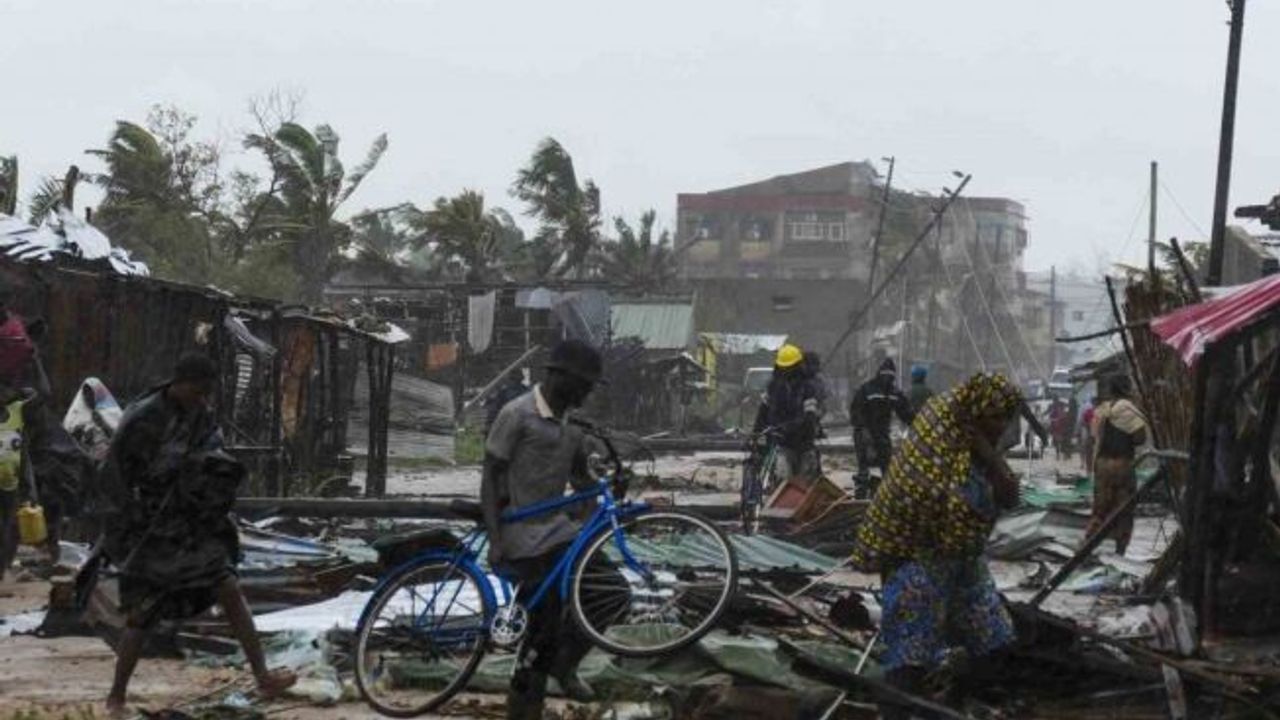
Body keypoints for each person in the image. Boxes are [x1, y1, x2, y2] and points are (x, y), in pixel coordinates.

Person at [97, 352, 295, 717]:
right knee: (144, 612)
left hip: (192, 524)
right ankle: (116, 697)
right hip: (152, 530)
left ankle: (263, 676)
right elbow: (114, 476)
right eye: (198, 391)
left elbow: (212, 458)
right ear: (181, 383)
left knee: (229, 589)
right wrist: (131, 523)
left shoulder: (199, 416)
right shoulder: (144, 418)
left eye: (207, 393)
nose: (202, 399)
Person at [850, 373, 1024, 717]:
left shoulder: (971, 441)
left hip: (963, 560)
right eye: (994, 416)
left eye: (1006, 416)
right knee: (910, 652)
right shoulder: (938, 443)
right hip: (917, 560)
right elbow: (957, 512)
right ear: (974, 412)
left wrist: (990, 456)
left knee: (995, 639)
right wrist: (993, 467)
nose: (1000, 424)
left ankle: (956, 703)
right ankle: (897, 712)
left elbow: (1008, 496)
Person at [481, 340, 625, 720]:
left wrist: (603, 494)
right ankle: (524, 707)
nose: (588, 392)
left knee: (613, 592)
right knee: (541, 625)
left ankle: (566, 663)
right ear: (560, 378)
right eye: (584, 384)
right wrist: (496, 542)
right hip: (522, 536)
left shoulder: (572, 426)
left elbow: (580, 479)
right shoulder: (517, 414)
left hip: (558, 532)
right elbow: (490, 477)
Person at [1088, 376, 1148, 556]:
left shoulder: (1101, 411)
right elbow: (1140, 438)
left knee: (1100, 509)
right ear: (1127, 389)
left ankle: (1087, 547)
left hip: (1101, 465)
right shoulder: (1128, 410)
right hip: (1122, 465)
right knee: (1124, 510)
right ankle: (1119, 552)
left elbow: (1094, 437)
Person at [752, 343, 822, 481]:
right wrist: (757, 433)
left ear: (798, 366)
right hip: (782, 444)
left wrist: (791, 427)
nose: (786, 372)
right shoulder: (774, 386)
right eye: (783, 368)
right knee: (783, 481)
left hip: (804, 443)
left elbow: (810, 416)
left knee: (805, 484)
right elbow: (763, 411)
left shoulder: (808, 388)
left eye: (789, 368)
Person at [850, 357, 912, 498]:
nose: (887, 379)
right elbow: (856, 411)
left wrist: (916, 422)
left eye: (890, 377)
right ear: (880, 374)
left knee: (886, 464)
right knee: (864, 465)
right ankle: (861, 493)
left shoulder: (894, 393)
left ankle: (884, 494)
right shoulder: (867, 389)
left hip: (882, 433)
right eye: (886, 376)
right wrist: (862, 429)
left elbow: (905, 411)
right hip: (864, 433)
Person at [484, 369, 529, 435]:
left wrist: (488, 426)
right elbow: (494, 410)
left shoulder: (504, 392)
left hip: (514, 425)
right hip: (519, 425)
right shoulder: (527, 391)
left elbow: (494, 411)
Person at [1079, 396, 1097, 474]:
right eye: (1094, 403)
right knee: (1087, 450)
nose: (1095, 404)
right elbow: (1082, 421)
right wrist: (1089, 425)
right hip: (1090, 434)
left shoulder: (1101, 412)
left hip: (1097, 435)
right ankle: (1088, 469)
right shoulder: (1088, 412)